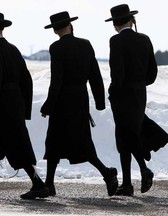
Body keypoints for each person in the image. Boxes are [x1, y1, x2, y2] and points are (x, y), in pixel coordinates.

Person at [41, 11, 118, 197]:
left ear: (55, 31)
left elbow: (56, 80)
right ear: (70, 25)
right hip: (80, 99)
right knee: (81, 140)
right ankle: (50, 183)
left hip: (62, 101)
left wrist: (48, 105)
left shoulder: (56, 48)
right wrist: (99, 101)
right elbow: (95, 76)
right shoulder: (85, 45)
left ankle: (106, 173)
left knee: (54, 141)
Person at [105, 4, 168, 196]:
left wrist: (115, 89)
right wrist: (140, 84)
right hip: (139, 93)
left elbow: (116, 70)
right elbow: (153, 72)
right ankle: (127, 183)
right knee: (128, 135)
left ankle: (141, 172)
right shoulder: (144, 39)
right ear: (131, 20)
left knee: (125, 136)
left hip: (122, 94)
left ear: (115, 25)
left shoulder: (115, 41)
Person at [0, 13, 49, 199]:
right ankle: (38, 183)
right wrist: (24, 109)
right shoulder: (13, 49)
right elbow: (27, 80)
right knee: (18, 147)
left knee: (16, 147)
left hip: (2, 106)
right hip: (15, 105)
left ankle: (39, 184)